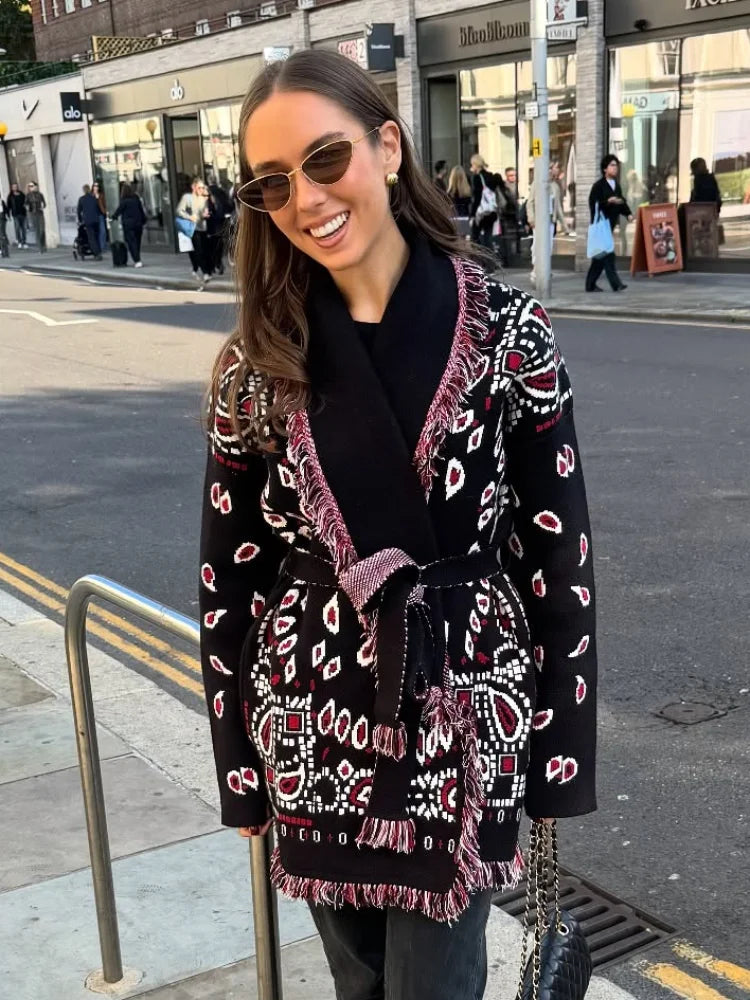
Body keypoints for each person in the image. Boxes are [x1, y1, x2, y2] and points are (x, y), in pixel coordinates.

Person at [199, 49, 597, 1000]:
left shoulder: (510, 331)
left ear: (386, 146)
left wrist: (561, 747)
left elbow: (558, 554)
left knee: (437, 989)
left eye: (325, 160)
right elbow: (229, 575)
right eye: (271, 183)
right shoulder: (257, 361)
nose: (306, 198)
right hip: (309, 721)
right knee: (360, 987)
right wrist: (237, 764)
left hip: (464, 710)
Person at [585, 154, 632, 293]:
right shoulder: (598, 186)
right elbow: (593, 203)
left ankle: (590, 284)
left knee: (599, 258)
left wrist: (628, 213)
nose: (615, 168)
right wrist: (607, 202)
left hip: (609, 225)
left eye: (616, 165)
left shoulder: (616, 185)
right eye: (612, 165)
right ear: (605, 169)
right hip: (600, 225)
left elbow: (621, 201)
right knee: (608, 256)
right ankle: (616, 284)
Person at [176, 177, 212, 281]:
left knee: (205, 250)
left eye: (202, 187)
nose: (201, 190)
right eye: (199, 188)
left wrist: (206, 214)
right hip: (192, 228)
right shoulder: (187, 198)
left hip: (203, 227)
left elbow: (205, 211)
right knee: (198, 250)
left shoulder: (203, 198)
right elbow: (179, 211)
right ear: (194, 187)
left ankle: (201, 270)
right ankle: (205, 272)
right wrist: (189, 217)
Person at [468, 154, 500, 253]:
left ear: (476, 165)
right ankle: (490, 262)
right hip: (491, 211)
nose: (471, 167)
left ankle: (478, 261)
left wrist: (472, 214)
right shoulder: (491, 176)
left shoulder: (477, 178)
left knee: (474, 237)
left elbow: (477, 198)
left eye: (472, 165)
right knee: (488, 237)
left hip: (481, 213)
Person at [111, 183, 147, 267]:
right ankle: (138, 258)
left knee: (131, 243)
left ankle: (137, 260)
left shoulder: (124, 201)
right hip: (138, 224)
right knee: (137, 242)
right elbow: (141, 210)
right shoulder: (136, 199)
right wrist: (143, 220)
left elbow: (118, 212)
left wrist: (113, 217)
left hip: (128, 225)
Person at [207, 183, 234, 275]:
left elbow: (219, 214)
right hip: (217, 228)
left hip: (217, 228)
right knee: (216, 248)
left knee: (215, 248)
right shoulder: (219, 199)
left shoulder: (217, 201)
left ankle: (217, 265)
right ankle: (217, 265)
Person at [77, 184, 103, 259]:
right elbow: (98, 208)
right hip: (96, 220)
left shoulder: (81, 199)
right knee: (97, 236)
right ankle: (99, 250)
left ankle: (97, 253)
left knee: (91, 238)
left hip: (88, 221)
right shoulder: (94, 198)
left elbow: (79, 211)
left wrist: (80, 220)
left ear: (83, 190)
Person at [25, 182, 47, 252]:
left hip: (40, 213)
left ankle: (43, 244)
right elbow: (26, 204)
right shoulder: (28, 195)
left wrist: (43, 206)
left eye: (33, 186)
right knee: (37, 230)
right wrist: (28, 208)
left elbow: (44, 203)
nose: (32, 187)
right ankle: (40, 247)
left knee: (42, 229)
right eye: (31, 186)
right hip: (33, 214)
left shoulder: (40, 195)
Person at [7, 183, 27, 248]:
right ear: (12, 188)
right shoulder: (10, 196)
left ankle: (24, 242)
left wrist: (26, 206)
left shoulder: (21, 194)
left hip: (23, 213)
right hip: (15, 214)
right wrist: (8, 214)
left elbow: (26, 201)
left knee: (24, 228)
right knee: (17, 228)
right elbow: (8, 206)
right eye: (13, 187)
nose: (15, 188)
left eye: (16, 186)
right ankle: (19, 241)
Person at [92, 182, 109, 251]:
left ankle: (103, 246)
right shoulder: (91, 196)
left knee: (103, 231)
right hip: (94, 215)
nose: (96, 188)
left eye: (97, 186)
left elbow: (104, 204)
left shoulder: (101, 195)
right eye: (94, 186)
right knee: (97, 231)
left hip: (100, 215)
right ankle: (99, 246)